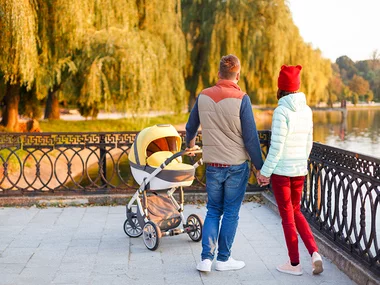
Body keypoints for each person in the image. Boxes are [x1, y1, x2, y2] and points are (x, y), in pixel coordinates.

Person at [185, 54, 264, 272]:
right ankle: (223, 259)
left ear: (219, 73)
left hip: (213, 165)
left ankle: (205, 259)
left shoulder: (203, 95)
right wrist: (260, 166)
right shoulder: (242, 98)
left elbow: (190, 127)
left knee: (213, 210)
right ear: (237, 75)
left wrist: (190, 145)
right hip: (236, 166)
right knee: (230, 212)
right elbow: (250, 138)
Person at [257, 65, 323, 276]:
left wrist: (265, 173)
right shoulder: (307, 110)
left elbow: (276, 148)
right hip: (299, 170)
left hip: (282, 172)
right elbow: (309, 143)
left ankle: (294, 264)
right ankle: (314, 253)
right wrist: (301, 163)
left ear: (281, 88)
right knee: (296, 210)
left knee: (288, 216)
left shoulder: (281, 111)